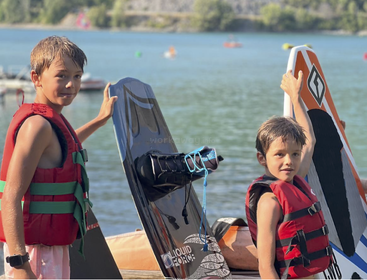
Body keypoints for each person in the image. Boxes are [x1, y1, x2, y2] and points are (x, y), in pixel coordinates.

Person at [0, 36, 117, 279]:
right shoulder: (37, 126)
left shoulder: (51, 121)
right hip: (34, 253)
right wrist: (21, 265)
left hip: (49, 249)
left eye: (77, 76)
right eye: (61, 75)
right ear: (36, 79)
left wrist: (100, 119)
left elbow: (67, 145)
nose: (71, 84)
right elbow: (10, 198)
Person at [245, 70, 332, 279]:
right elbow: (266, 267)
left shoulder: (295, 180)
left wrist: (295, 96)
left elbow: (309, 140)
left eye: (294, 154)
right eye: (279, 155)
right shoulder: (269, 202)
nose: (289, 161)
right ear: (262, 158)